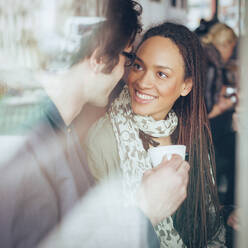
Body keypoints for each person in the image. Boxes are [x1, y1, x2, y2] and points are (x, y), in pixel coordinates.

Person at [0, 1, 190, 248]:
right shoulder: (24, 146)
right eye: (128, 56)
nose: (126, 71)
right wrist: (145, 211)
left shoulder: (57, 131)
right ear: (100, 57)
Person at [85, 22, 226, 247]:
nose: (142, 81)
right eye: (139, 66)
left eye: (161, 74)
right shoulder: (102, 139)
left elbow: (204, 218)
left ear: (186, 86)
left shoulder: (191, 132)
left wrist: (228, 215)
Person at [201, 23, 238, 206]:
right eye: (232, 48)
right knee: (239, 149)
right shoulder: (211, 64)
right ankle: (231, 205)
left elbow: (210, 92)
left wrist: (224, 95)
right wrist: (228, 104)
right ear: (225, 45)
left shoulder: (206, 55)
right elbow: (206, 110)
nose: (231, 53)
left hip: (204, 131)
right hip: (204, 134)